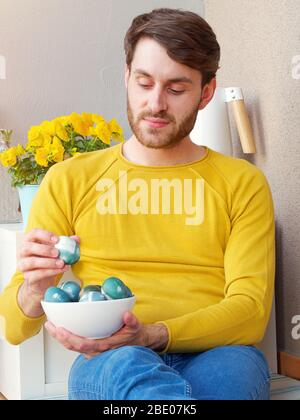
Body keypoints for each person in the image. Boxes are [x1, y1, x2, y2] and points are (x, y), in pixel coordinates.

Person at [0, 8, 275, 400]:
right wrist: (34, 288)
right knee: (129, 368)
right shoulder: (70, 179)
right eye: (144, 83)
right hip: (113, 356)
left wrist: (154, 333)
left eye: (176, 89)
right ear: (127, 78)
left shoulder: (242, 184)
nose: (156, 104)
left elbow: (249, 312)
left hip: (219, 352)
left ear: (206, 92)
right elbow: (13, 327)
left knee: (231, 380)